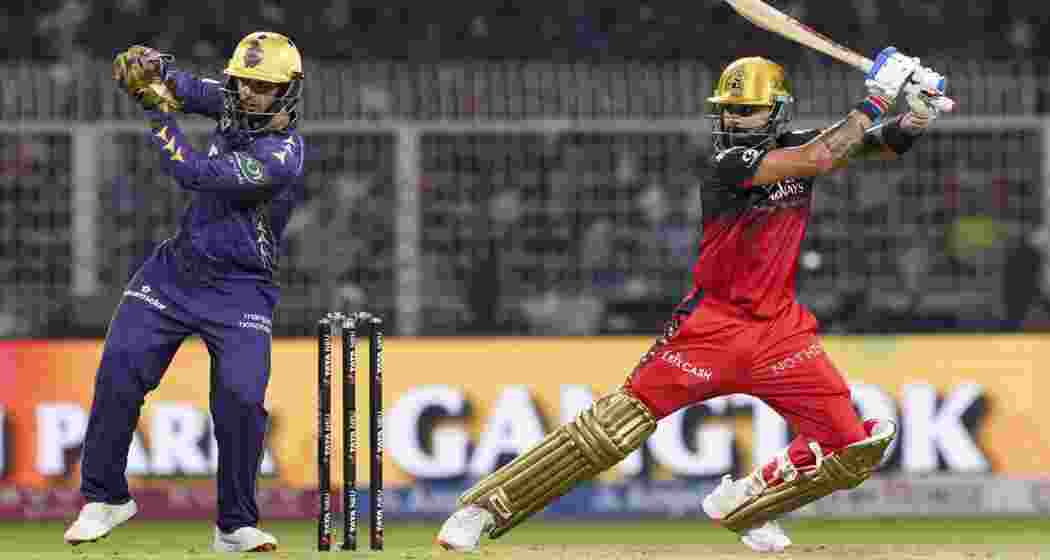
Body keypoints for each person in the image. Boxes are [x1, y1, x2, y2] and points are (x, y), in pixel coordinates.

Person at [437, 48, 944, 553]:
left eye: (748, 109)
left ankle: (747, 501)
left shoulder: (802, 146)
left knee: (852, 447)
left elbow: (880, 144)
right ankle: (481, 510)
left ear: (777, 111)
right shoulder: (727, 161)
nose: (735, 117)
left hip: (780, 332)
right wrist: (876, 96)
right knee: (614, 428)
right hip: (712, 327)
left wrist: (917, 112)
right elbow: (820, 156)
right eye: (730, 108)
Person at [63, 32, 306, 553]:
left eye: (262, 88)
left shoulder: (281, 156)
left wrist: (157, 112)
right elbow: (186, 85)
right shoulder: (233, 102)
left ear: (286, 92)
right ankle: (105, 497)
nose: (247, 95)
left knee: (241, 403)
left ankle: (235, 525)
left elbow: (191, 172)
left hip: (242, 290)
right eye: (243, 83)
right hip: (175, 272)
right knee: (119, 372)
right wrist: (150, 68)